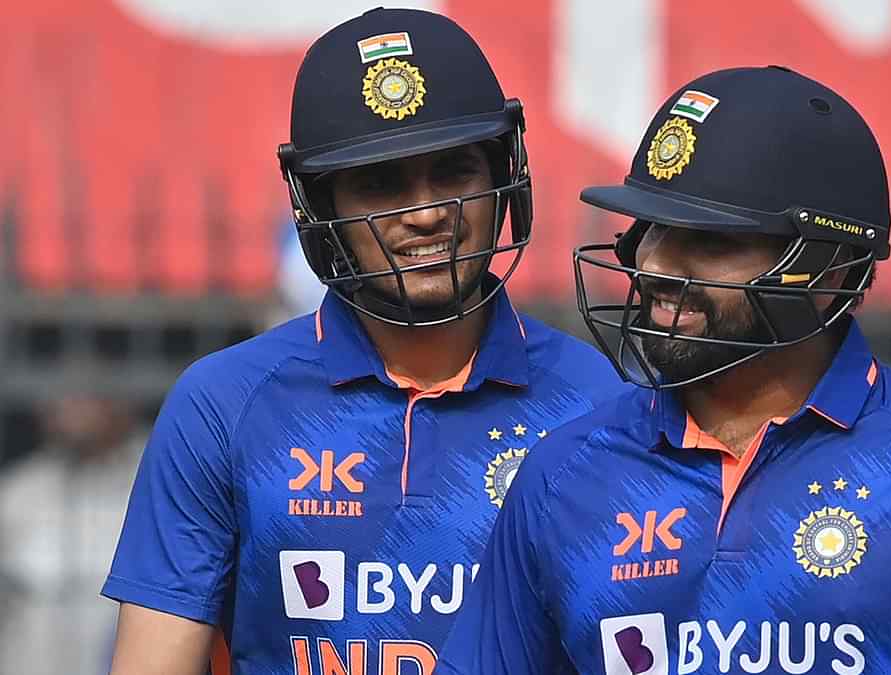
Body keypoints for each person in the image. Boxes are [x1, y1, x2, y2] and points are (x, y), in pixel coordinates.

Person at [440, 67, 891, 674]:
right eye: (649, 229)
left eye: (709, 240)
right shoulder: (561, 477)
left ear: (829, 270)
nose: (652, 266)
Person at [102, 8, 627, 674]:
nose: (427, 212)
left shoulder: (597, 405)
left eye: (455, 170)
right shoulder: (223, 406)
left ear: (504, 174)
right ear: (318, 209)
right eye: (380, 182)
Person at [0, 394, 144, 675]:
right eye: (62, 397)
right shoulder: (16, 492)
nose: (74, 409)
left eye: (87, 395)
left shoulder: (151, 484)